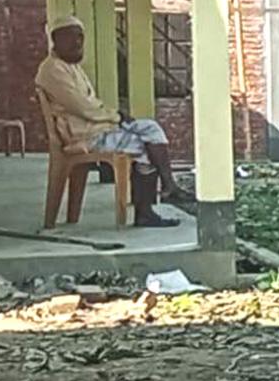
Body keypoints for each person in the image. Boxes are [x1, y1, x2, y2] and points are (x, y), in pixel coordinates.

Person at [36, 14, 189, 228]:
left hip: (98, 127)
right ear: (56, 39)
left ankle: (169, 185)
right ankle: (146, 211)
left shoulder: (70, 66)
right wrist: (115, 116)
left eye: (80, 37)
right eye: (70, 37)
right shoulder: (53, 70)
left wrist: (115, 117)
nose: (77, 42)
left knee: (150, 127)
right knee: (142, 146)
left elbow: (91, 104)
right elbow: (82, 107)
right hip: (84, 136)